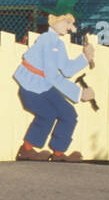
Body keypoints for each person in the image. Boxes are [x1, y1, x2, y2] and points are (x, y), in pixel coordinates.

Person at [14, 12, 95, 162]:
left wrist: (85, 57)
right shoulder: (46, 41)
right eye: (67, 23)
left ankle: (58, 154)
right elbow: (52, 76)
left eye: (71, 24)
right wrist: (80, 93)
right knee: (47, 114)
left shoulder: (57, 43)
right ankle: (26, 151)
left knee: (69, 114)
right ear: (54, 21)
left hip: (43, 85)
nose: (71, 28)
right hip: (30, 87)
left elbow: (66, 69)